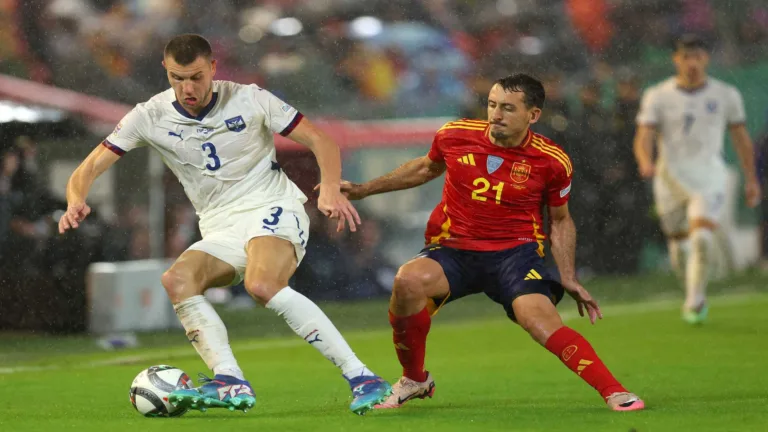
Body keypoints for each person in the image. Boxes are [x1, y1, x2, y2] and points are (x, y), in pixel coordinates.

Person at [58, 34, 391, 415]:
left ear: (213, 68)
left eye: (196, 77)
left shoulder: (250, 98)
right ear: (165, 72)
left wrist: (329, 189)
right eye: (177, 78)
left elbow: (321, 141)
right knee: (177, 280)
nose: (187, 88)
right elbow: (87, 167)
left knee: (262, 285)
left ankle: (362, 376)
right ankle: (230, 381)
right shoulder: (148, 116)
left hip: (272, 205)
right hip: (219, 225)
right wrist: (75, 198)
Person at [338, 74, 644, 411]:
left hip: (515, 256)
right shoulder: (455, 135)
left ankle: (614, 391)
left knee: (538, 321)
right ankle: (414, 379)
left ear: (534, 115)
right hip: (454, 250)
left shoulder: (552, 160)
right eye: (493, 105)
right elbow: (425, 168)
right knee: (407, 281)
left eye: (508, 108)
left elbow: (560, 220)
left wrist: (568, 276)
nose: (496, 114)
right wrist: (364, 189)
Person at [633, 34, 761, 324]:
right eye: (686, 57)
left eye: (698, 56)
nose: (692, 63)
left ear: (706, 59)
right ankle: (690, 287)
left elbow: (741, 139)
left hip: (709, 176)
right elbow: (644, 136)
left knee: (701, 238)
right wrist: (645, 161)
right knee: (680, 248)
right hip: (671, 180)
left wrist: (752, 178)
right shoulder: (658, 95)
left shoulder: (726, 95)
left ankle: (695, 299)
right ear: (676, 60)